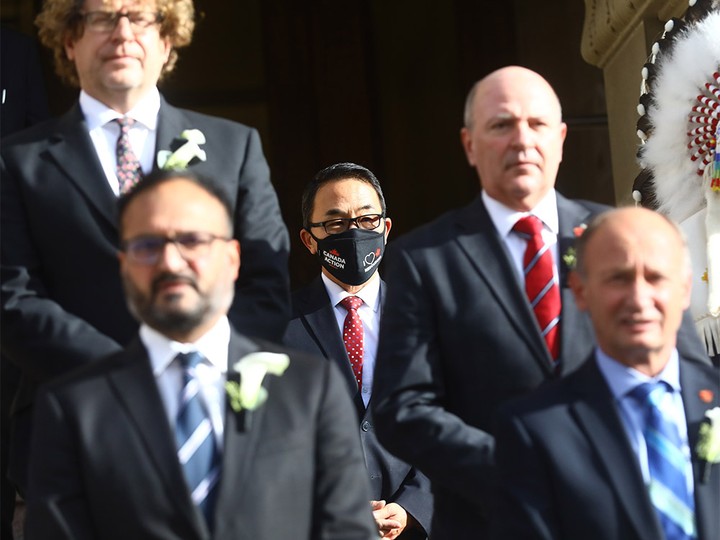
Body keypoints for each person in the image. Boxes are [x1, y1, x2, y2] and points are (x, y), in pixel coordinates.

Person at [371, 66, 710, 538]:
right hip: (491, 519)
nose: (521, 139)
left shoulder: (622, 237)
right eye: (501, 125)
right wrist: (527, 468)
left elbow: (690, 376)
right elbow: (401, 408)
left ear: (562, 137)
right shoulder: (425, 259)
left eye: (537, 124)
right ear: (470, 144)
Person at [0, 0, 289, 496]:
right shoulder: (17, 162)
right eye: (101, 18)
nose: (122, 32)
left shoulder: (233, 147)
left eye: (140, 17)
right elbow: (12, 296)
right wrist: (130, 376)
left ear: (168, 38)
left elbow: (266, 284)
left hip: (214, 430)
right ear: (69, 40)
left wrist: (194, 371)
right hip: (75, 437)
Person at [24, 169, 377, 540]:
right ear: (124, 266)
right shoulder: (73, 407)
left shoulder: (310, 390)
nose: (172, 262)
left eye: (193, 240)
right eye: (147, 245)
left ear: (232, 258)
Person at [491, 207, 720, 540]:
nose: (640, 298)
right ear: (581, 291)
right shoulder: (535, 431)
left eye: (656, 277)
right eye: (618, 278)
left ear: (685, 289)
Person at [283, 162, 433, 540]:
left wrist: (412, 508)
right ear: (309, 239)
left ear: (385, 228)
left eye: (367, 220)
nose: (353, 232)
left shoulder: (433, 317)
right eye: (335, 223)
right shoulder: (274, 328)